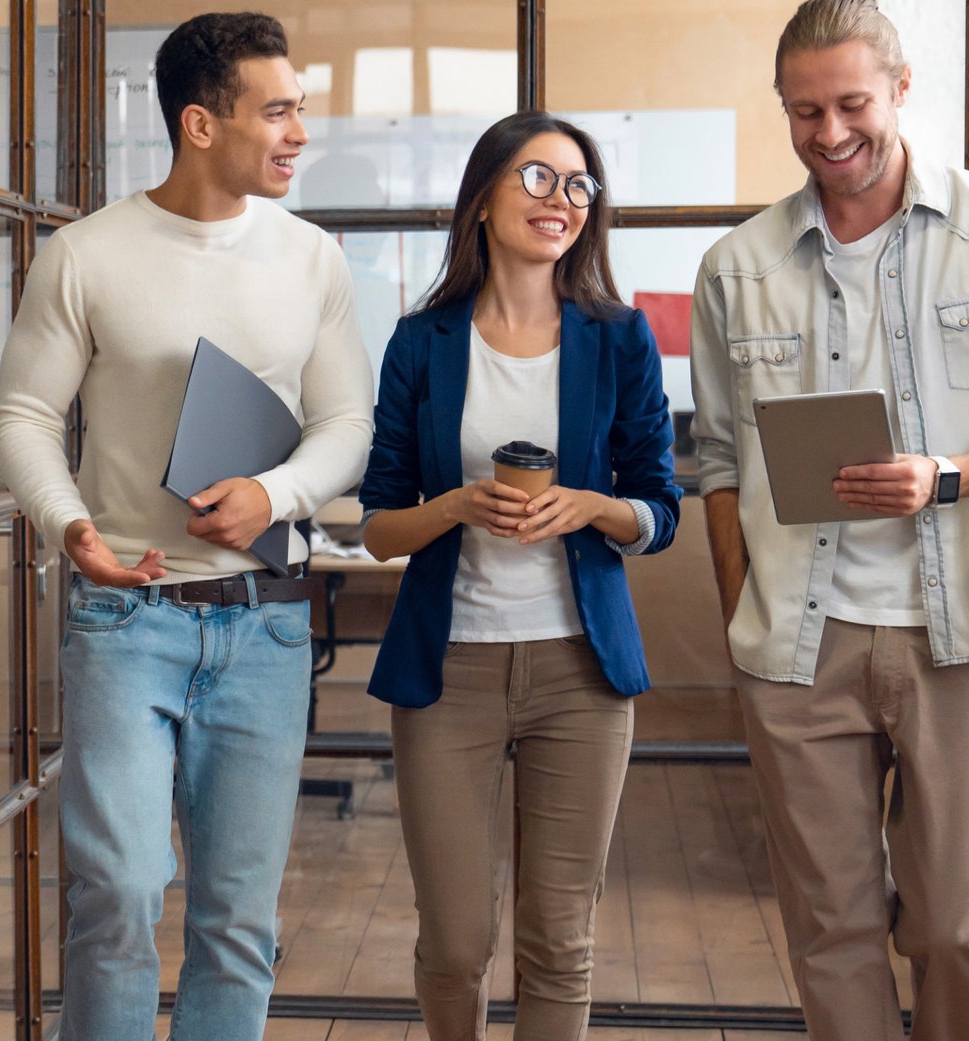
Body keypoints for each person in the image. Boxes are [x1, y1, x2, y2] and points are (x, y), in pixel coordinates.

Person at [688, 3, 969, 1038]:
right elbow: (714, 459)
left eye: (848, 105)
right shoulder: (734, 266)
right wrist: (743, 605)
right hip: (796, 641)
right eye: (801, 112)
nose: (827, 134)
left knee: (956, 931)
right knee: (825, 929)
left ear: (898, 89)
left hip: (964, 632)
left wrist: (948, 475)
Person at [0, 13, 373, 1041]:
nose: (299, 132)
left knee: (236, 921)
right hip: (127, 621)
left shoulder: (311, 259)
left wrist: (277, 492)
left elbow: (347, 426)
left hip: (267, 624)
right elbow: (24, 419)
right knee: (113, 896)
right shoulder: (84, 255)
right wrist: (70, 528)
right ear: (200, 123)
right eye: (279, 110)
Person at [357, 112, 681, 1041]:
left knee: (559, 938)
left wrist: (591, 507)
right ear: (485, 194)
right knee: (456, 941)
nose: (562, 201)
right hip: (446, 670)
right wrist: (455, 506)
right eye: (539, 179)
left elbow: (660, 511)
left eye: (579, 185)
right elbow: (379, 527)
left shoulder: (621, 340)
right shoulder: (421, 343)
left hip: (581, 673)